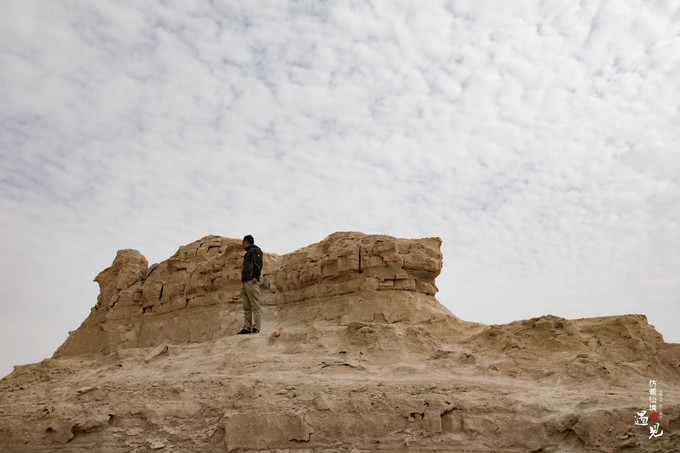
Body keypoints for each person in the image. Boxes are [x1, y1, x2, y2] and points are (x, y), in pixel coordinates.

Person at [237, 235, 263, 334]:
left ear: (246, 241)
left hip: (251, 282)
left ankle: (256, 327)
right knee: (246, 306)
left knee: (255, 305)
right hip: (245, 282)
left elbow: (258, 264)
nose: (242, 244)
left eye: (243, 242)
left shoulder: (256, 250)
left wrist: (256, 277)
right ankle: (247, 327)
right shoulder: (248, 252)